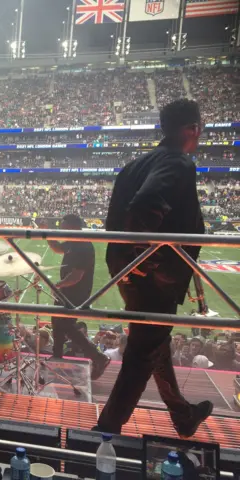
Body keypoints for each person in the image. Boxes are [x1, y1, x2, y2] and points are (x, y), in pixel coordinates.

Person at [96, 99, 213, 438]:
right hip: (152, 278)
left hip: (128, 274)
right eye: (199, 128)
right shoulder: (178, 162)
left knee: (153, 340)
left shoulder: (134, 165)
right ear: (190, 129)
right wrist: (146, 261)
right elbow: (144, 206)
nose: (200, 134)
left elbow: (117, 219)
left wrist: (131, 264)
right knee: (142, 352)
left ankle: (183, 414)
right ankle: (103, 433)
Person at [47, 214, 110, 380]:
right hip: (67, 292)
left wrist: (58, 285)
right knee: (56, 321)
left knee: (66, 326)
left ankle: (98, 357)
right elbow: (58, 248)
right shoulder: (74, 241)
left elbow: (76, 276)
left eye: (63, 226)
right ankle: (57, 357)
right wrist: (46, 234)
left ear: (72, 227)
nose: (61, 229)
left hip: (76, 292)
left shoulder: (83, 245)